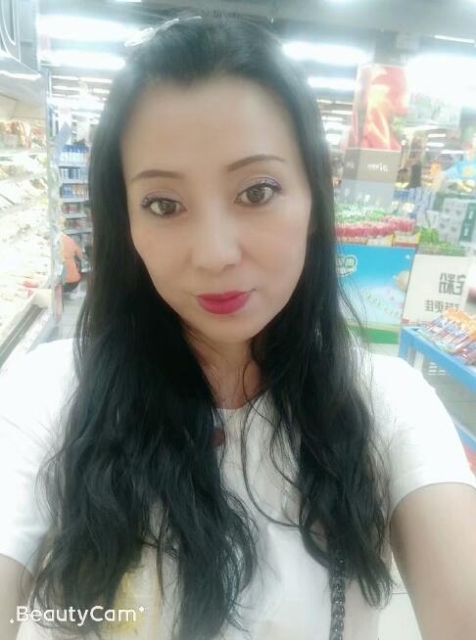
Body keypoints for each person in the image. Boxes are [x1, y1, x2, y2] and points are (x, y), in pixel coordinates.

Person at [0, 16, 476, 640]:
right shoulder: (46, 397)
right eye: (164, 204)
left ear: (313, 200)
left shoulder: (387, 405)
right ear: (127, 224)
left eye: (257, 191)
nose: (215, 253)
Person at [60, 232, 83, 296]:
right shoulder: (70, 240)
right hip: (75, 281)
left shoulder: (52, 242)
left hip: (60, 284)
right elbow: (80, 256)